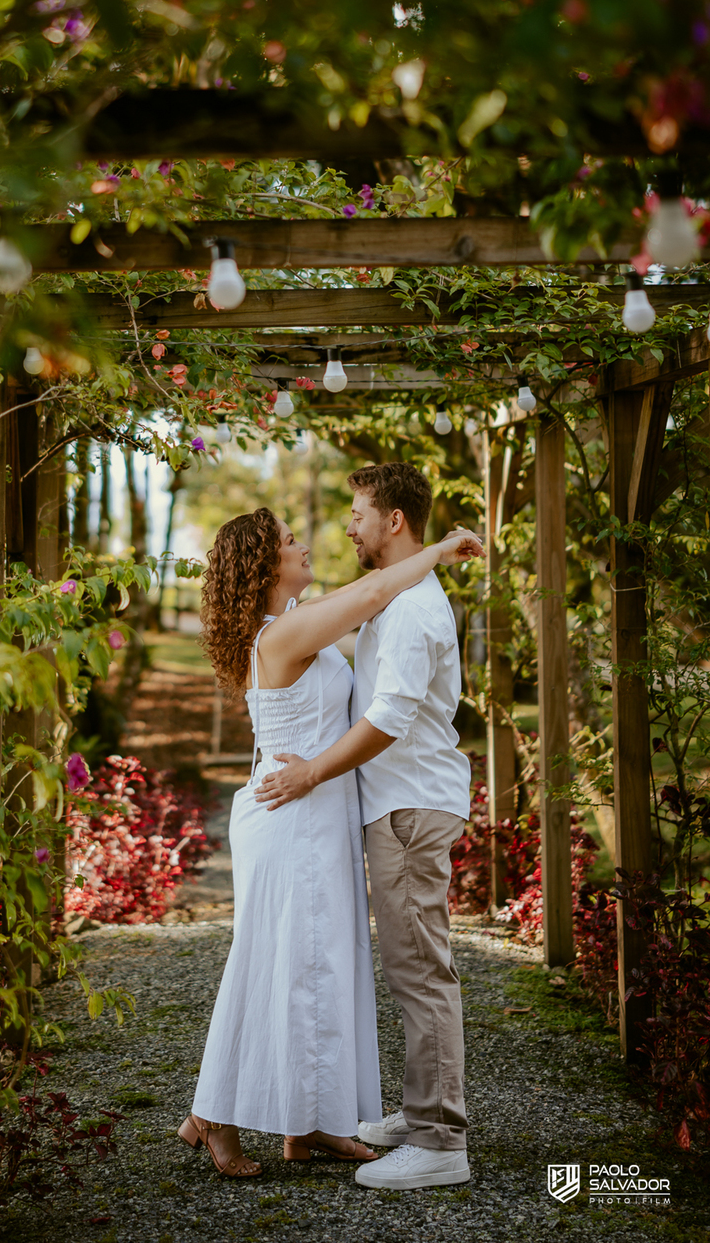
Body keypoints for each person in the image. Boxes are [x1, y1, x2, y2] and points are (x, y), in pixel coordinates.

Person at [177, 506, 482, 1179]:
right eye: (290, 541)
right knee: (273, 966)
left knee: (321, 971)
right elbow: (373, 593)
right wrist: (439, 550)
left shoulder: (297, 624)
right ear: (265, 567)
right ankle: (212, 1117)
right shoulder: (282, 633)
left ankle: (310, 1122)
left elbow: (373, 633)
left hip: (319, 817)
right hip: (291, 820)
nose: (305, 544)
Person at [255, 463, 476, 1192]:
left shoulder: (411, 609)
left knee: (421, 971)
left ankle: (441, 1140)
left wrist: (313, 771)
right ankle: (419, 1119)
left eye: (358, 513)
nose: (347, 526)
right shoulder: (397, 597)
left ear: (394, 523)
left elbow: (389, 719)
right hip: (398, 805)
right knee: (410, 967)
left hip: (411, 805)